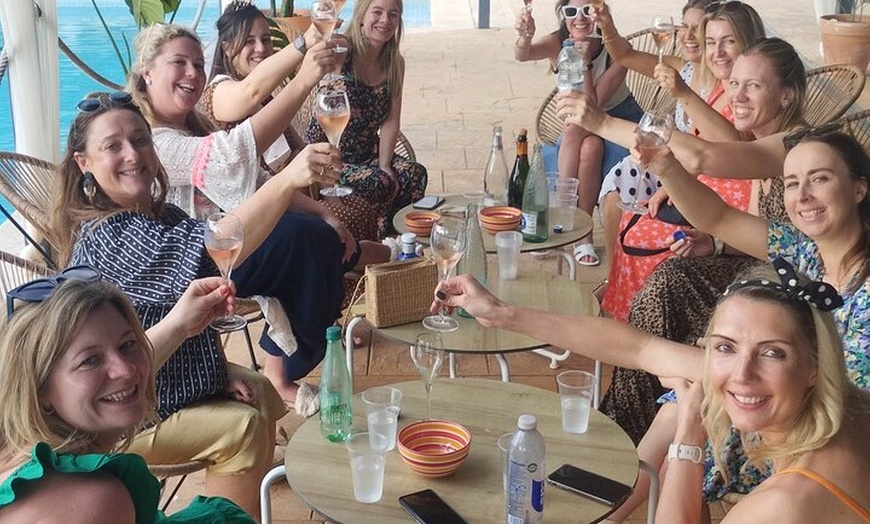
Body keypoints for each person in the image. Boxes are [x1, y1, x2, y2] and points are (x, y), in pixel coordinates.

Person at [48, 89, 340, 515]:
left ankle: (245, 501)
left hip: (156, 377)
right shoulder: (110, 234)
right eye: (112, 146)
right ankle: (229, 515)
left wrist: (215, 374)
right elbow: (215, 247)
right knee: (242, 427)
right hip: (123, 411)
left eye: (140, 140)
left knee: (260, 391)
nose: (132, 154)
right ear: (84, 163)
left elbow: (177, 311)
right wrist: (286, 180)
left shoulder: (162, 215)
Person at [433, 263, 870, 524]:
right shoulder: (846, 405)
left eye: (773, 353)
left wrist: (689, 432)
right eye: (725, 347)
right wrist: (501, 313)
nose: (742, 373)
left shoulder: (782, 506)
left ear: (813, 366)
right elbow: (638, 348)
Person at [123, 23, 388, 403]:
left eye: (198, 64)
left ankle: (348, 275)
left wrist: (326, 215)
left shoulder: (194, 126)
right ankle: (288, 366)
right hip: (192, 263)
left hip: (231, 243)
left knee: (317, 230)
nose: (193, 74)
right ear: (147, 72)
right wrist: (303, 80)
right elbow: (232, 156)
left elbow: (261, 182)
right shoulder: (153, 142)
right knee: (302, 238)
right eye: (179, 63)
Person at [0, 276, 256, 523]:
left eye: (128, 344)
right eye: (89, 361)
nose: (126, 370)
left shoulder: (16, 448)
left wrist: (180, 324)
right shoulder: (92, 502)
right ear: (39, 391)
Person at [203, 2, 383, 242]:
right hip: (270, 211)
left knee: (361, 208)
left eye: (266, 39)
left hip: (303, 194)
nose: (260, 48)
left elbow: (296, 144)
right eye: (248, 41)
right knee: (346, 220)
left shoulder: (267, 97)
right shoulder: (218, 92)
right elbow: (250, 92)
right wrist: (304, 50)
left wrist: (328, 189)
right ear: (226, 48)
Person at [515, 0, 644, 266]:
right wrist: (525, 36)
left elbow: (592, 106)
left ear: (599, 14)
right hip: (582, 126)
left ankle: (561, 218)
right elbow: (522, 55)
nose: (580, 18)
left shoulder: (617, 49)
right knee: (590, 147)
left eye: (588, 10)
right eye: (571, 11)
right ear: (563, 15)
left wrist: (584, 63)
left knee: (575, 129)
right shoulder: (558, 41)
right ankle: (582, 234)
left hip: (618, 123)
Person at [305, 0, 428, 239]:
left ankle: (397, 242)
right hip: (331, 155)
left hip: (368, 153)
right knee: (380, 183)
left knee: (415, 174)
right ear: (362, 16)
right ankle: (377, 241)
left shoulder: (395, 63)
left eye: (393, 14)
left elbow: (391, 120)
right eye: (377, 12)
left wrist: (385, 164)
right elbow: (321, 49)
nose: (385, 21)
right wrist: (325, 32)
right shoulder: (343, 51)